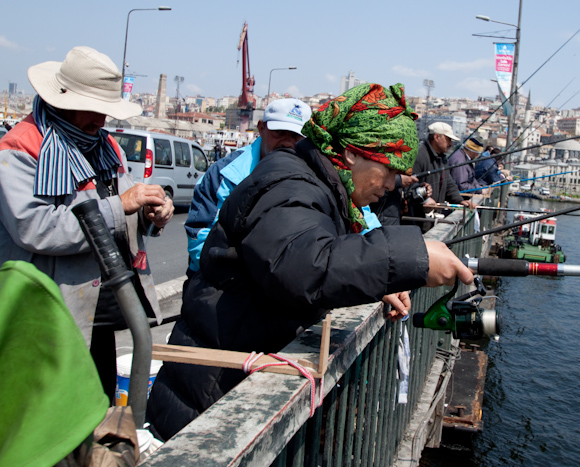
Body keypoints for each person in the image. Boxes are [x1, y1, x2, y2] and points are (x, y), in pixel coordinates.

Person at [147, 83, 474, 440]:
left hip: (234, 384)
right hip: (210, 402)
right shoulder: (290, 183)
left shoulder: (320, 185)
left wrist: (379, 283)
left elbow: (323, 251)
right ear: (351, 154)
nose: (394, 184)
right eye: (389, 169)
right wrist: (413, 258)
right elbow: (302, 265)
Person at [0, 46, 174, 398]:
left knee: (96, 407)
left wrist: (150, 214)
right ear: (64, 101)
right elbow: (37, 228)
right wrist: (120, 205)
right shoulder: (20, 148)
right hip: (46, 315)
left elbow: (127, 210)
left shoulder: (107, 145)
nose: (103, 120)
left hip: (97, 310)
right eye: (95, 109)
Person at [184, 98, 312, 278]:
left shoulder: (315, 175)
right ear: (261, 128)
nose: (287, 143)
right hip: (220, 289)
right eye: (280, 132)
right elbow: (200, 241)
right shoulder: (224, 174)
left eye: (296, 137)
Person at [408, 122, 475, 232]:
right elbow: (409, 183)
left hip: (432, 218)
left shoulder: (442, 158)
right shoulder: (420, 154)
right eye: (448, 139)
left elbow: (448, 183)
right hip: (417, 218)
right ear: (436, 137)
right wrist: (425, 199)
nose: (451, 144)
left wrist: (460, 201)